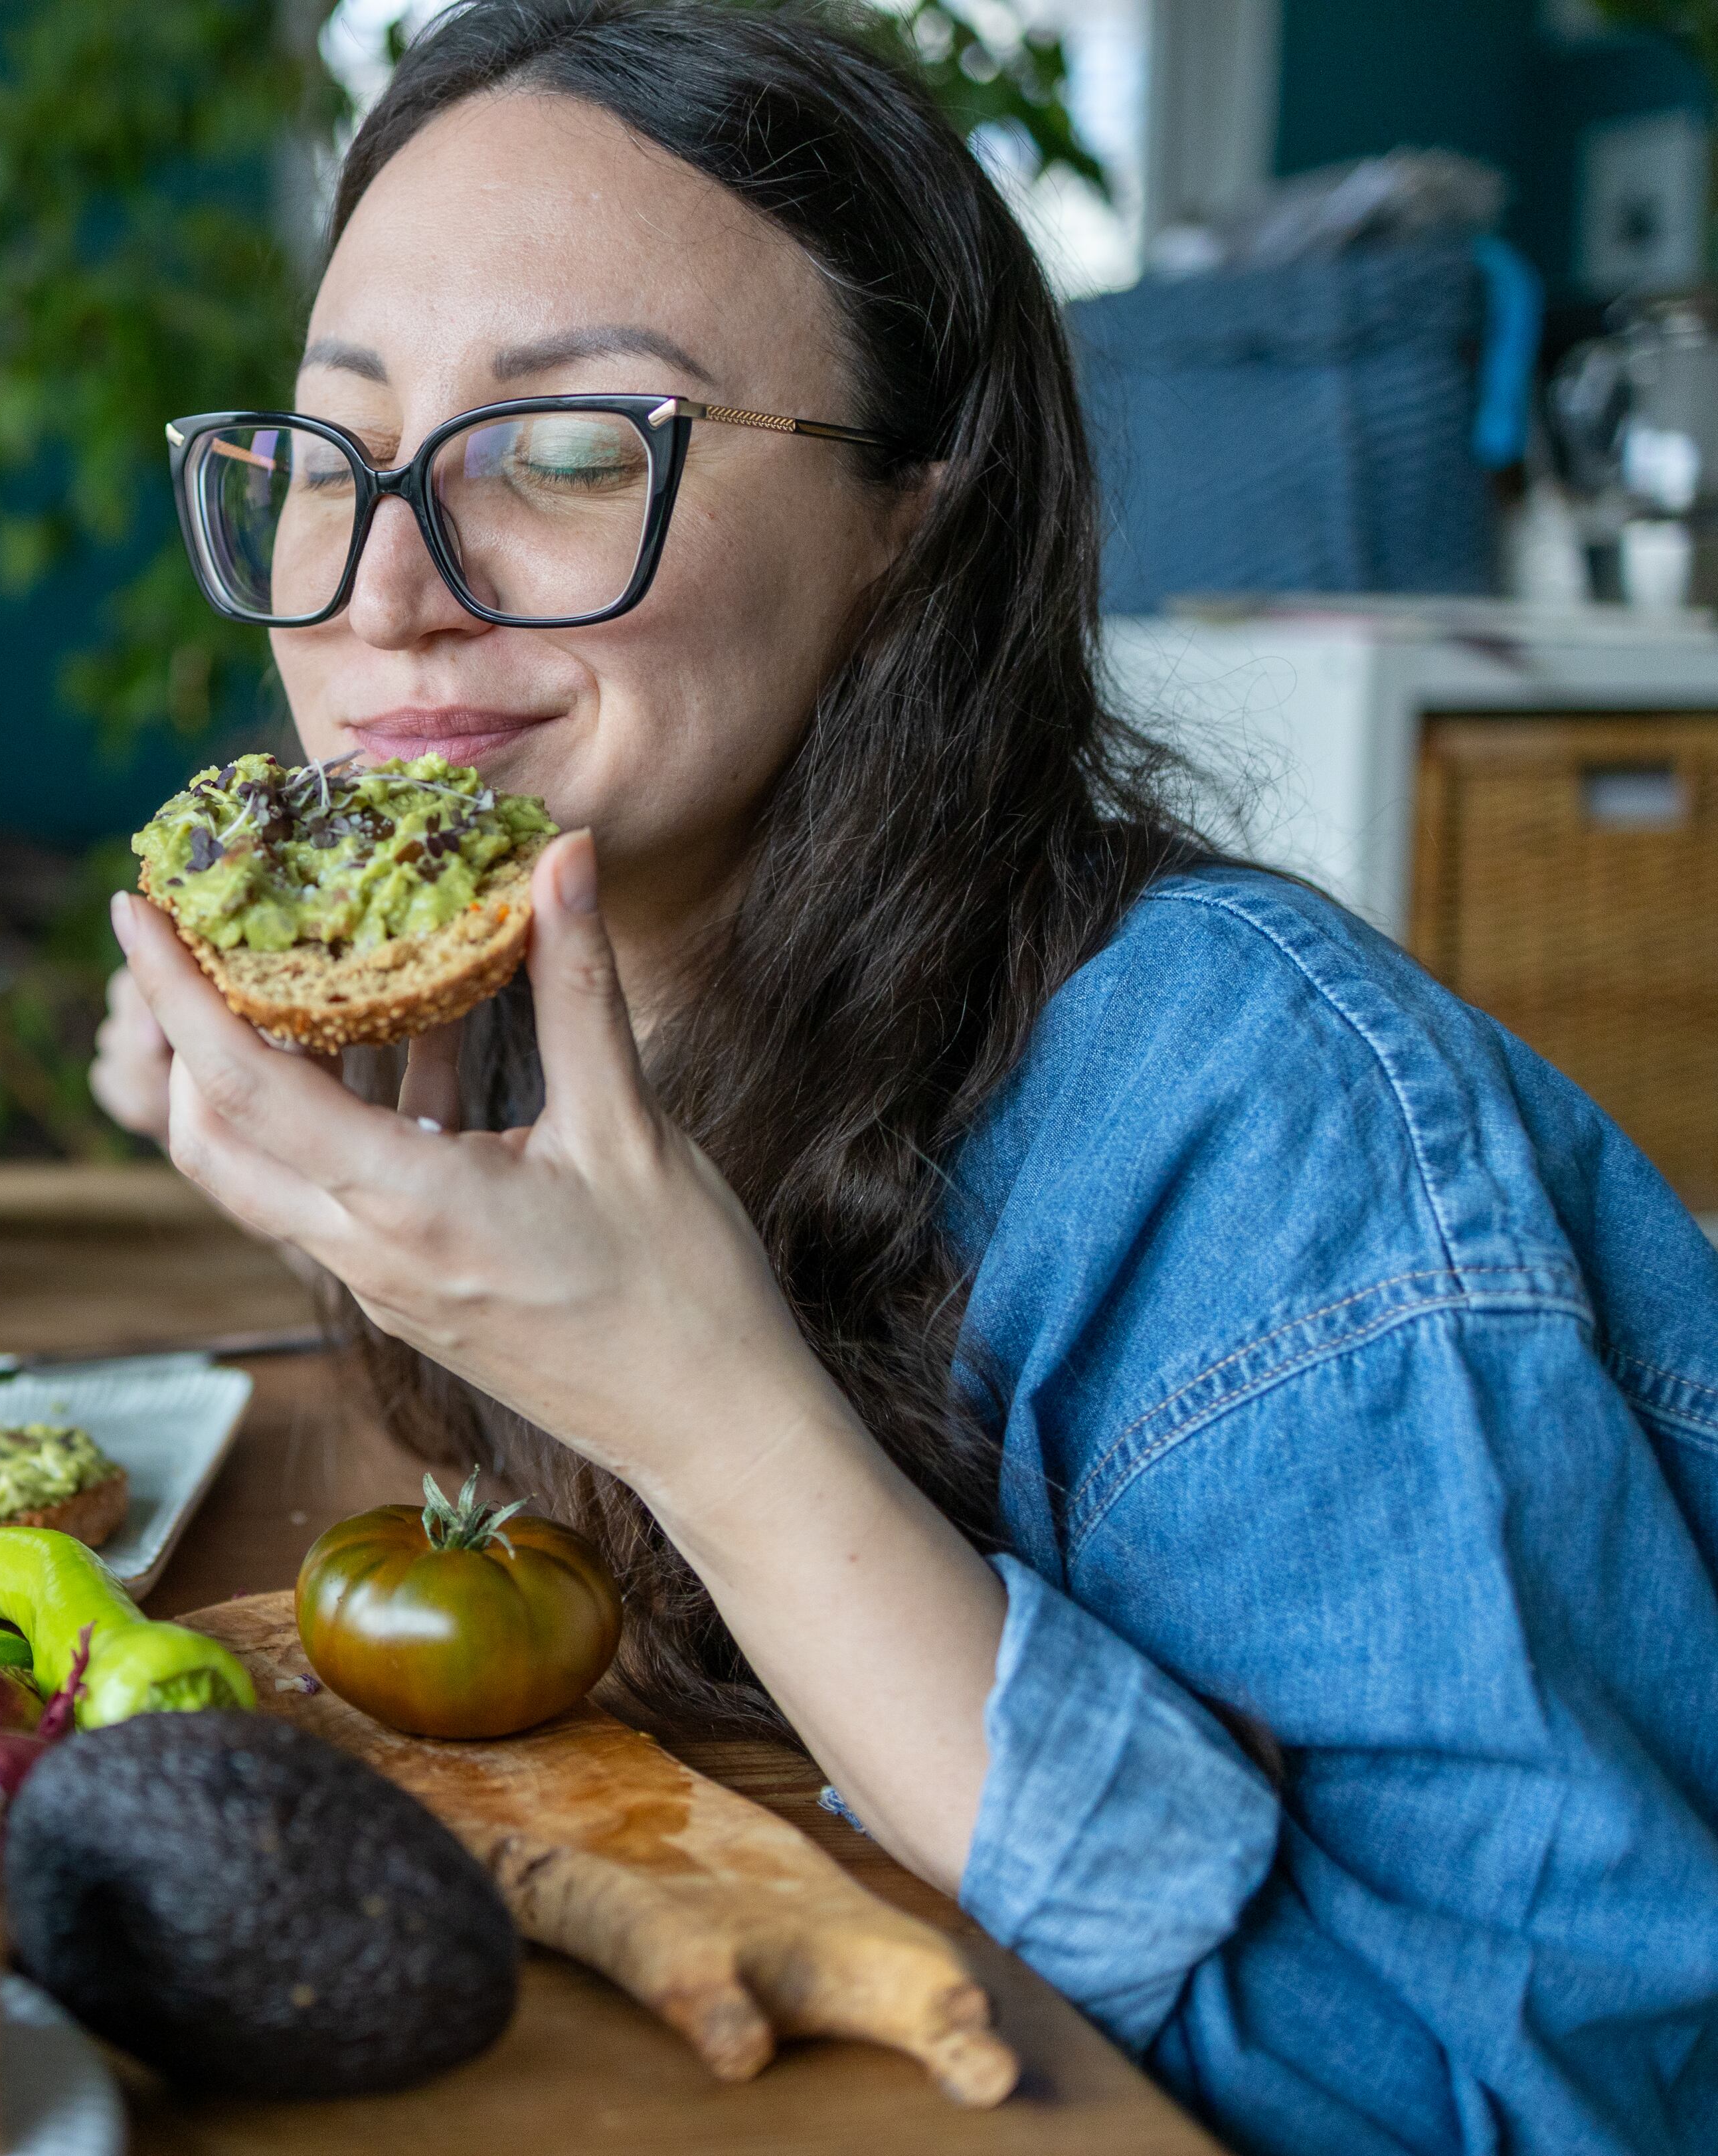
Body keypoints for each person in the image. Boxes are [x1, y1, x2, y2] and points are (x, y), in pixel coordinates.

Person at [89, 7, 1718, 2153]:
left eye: (571, 453)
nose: (384, 596)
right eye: (327, 456)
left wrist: (710, 1411)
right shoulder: (519, 1013)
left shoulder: (1260, 1127)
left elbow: (1520, 2097)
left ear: (907, 522)